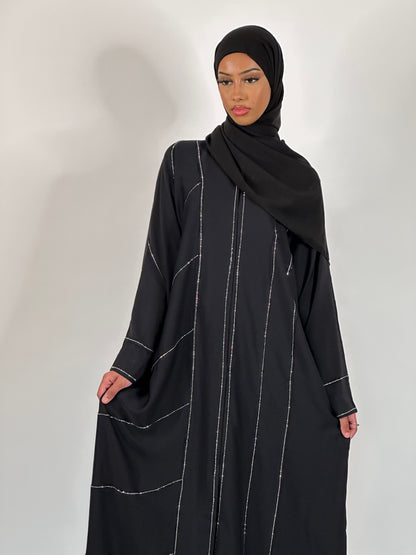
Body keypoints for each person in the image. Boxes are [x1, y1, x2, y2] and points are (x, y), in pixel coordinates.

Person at [85, 24, 359, 555]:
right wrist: (130, 362)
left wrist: (337, 393)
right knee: (191, 506)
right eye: (224, 80)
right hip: (195, 367)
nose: (237, 94)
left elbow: (314, 296)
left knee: (264, 507)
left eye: (250, 78)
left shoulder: (301, 182)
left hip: (273, 372)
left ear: (273, 80)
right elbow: (158, 269)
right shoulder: (184, 164)